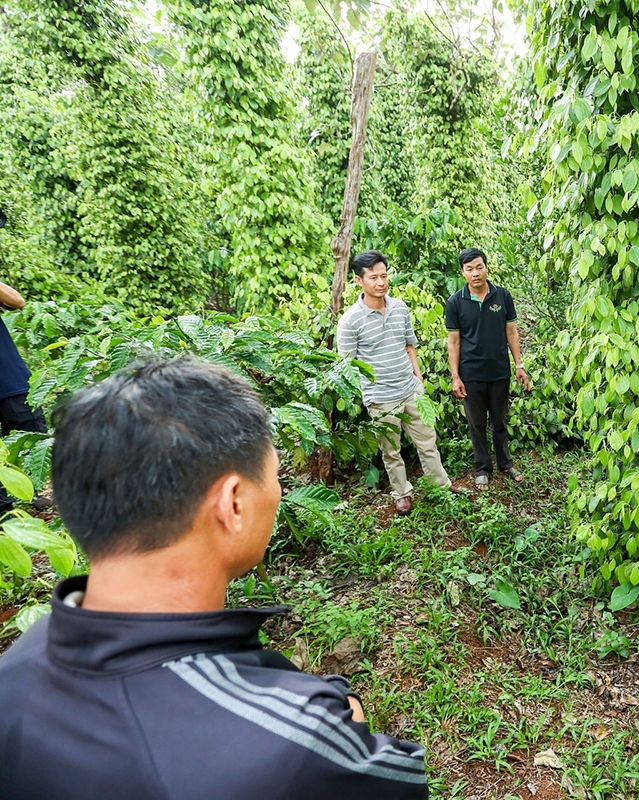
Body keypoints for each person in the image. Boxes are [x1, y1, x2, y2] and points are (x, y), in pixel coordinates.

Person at [0, 360, 428, 799]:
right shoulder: (292, 743)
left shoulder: (19, 664)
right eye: (275, 476)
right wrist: (343, 706)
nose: (279, 491)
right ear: (233, 504)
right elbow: (402, 779)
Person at [338, 250, 452, 515]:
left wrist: (418, 379)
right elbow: (346, 365)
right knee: (391, 450)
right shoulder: (350, 321)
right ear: (358, 281)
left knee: (428, 442)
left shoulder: (400, 307)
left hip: (410, 389)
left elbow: (409, 346)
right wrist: (367, 391)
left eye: (384, 275)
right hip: (380, 398)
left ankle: (441, 486)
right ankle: (401, 493)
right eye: (373, 277)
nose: (381, 282)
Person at [445, 247, 531, 489]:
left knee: (499, 420)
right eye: (469, 269)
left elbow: (511, 332)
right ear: (463, 273)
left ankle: (505, 463)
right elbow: (454, 342)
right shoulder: (455, 302)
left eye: (479, 267)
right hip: (471, 374)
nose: (475, 273)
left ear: (486, 268)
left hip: (499, 371)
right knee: (477, 424)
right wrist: (455, 376)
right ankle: (482, 468)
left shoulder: (502, 296)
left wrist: (519, 365)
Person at [0, 281, 49, 513]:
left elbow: (17, 301)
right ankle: (4, 509)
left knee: (30, 431)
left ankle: (30, 489)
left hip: (8, 374)